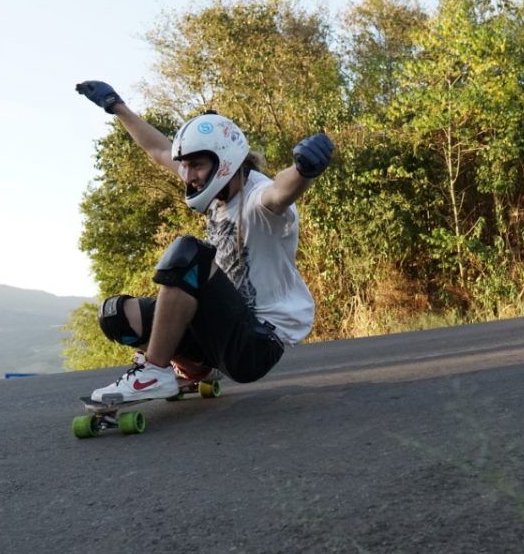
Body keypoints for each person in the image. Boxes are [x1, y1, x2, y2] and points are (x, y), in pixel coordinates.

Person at [75, 80, 333, 403]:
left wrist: (303, 170)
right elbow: (158, 151)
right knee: (116, 315)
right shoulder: (214, 189)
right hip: (219, 331)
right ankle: (195, 371)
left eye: (195, 165)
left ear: (224, 161)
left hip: (255, 344)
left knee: (189, 254)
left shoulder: (257, 199)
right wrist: (117, 107)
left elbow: (280, 193)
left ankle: (153, 372)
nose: (188, 175)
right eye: (185, 165)